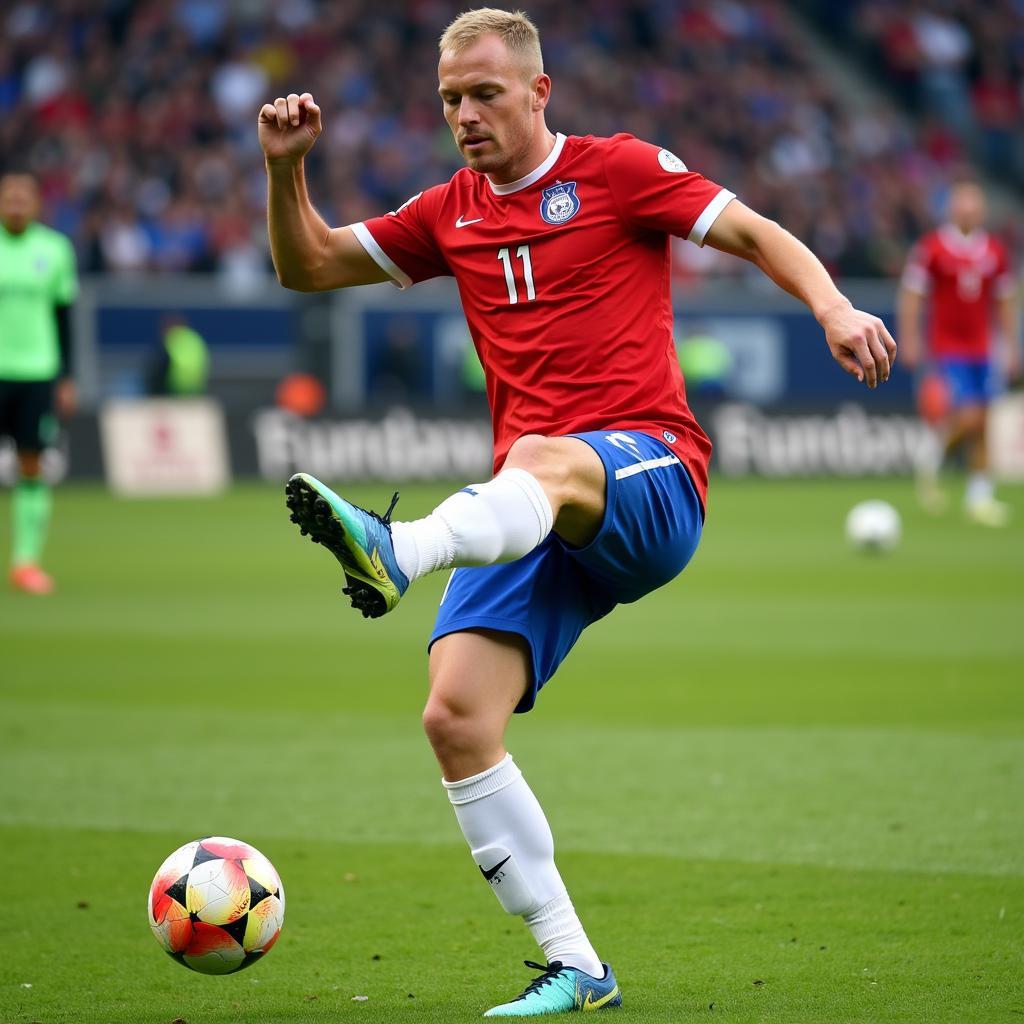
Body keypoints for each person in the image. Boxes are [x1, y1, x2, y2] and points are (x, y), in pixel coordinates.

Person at [260, 9, 895, 1016]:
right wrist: (286, 170)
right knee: (455, 715)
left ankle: (399, 547)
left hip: (648, 478)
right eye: (449, 102)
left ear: (538, 92)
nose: (464, 117)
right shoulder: (447, 213)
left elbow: (753, 230)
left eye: (484, 95)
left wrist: (831, 306)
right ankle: (577, 964)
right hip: (533, 508)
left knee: (544, 456)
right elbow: (309, 266)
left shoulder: (619, 171)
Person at [898, 178, 1020, 525]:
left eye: (974, 203)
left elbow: (1006, 302)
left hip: (984, 347)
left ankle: (979, 498)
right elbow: (911, 295)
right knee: (969, 415)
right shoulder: (933, 248)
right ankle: (933, 458)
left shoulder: (995, 251)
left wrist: (1011, 347)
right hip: (948, 347)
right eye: (962, 202)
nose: (968, 209)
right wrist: (910, 338)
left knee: (984, 421)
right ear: (952, 208)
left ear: (981, 209)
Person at [0, 171, 78, 595]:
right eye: (8, 195)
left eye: (22, 196)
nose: (14, 202)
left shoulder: (54, 250)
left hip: (37, 372)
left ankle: (26, 562)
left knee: (31, 465)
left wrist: (67, 377)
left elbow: (64, 319)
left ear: (35, 203)